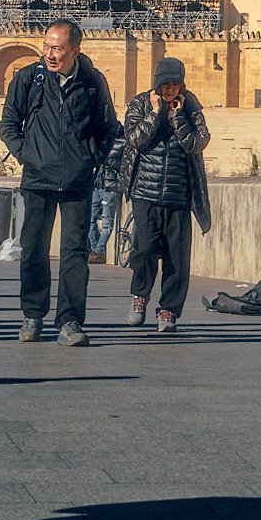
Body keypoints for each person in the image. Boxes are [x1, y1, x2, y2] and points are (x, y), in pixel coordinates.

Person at [0, 20, 120, 346]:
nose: (50, 54)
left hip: (78, 181)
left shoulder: (93, 82)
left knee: (74, 254)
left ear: (74, 50)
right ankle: (33, 315)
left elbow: (109, 128)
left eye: (57, 48)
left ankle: (69, 322)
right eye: (47, 46)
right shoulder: (28, 79)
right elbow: (8, 124)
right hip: (37, 179)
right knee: (33, 251)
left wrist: (91, 159)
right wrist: (28, 155)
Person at [107, 58, 213, 332]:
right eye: (166, 85)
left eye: (175, 84)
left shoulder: (190, 106)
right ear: (157, 84)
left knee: (177, 257)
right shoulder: (140, 104)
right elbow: (135, 141)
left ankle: (168, 311)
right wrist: (155, 114)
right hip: (145, 190)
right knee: (143, 250)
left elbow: (197, 143)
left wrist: (178, 118)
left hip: (179, 193)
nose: (170, 90)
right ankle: (140, 296)